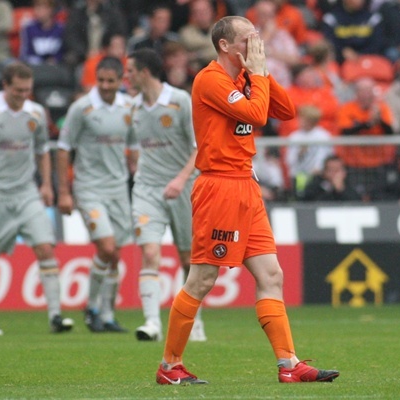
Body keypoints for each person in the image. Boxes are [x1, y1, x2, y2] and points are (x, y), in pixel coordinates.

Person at [155, 15, 340, 385]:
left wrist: (263, 71)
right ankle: (170, 366)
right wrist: (257, 75)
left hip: (246, 185)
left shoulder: (245, 77)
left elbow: (286, 112)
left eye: (257, 38)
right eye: (248, 39)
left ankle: (289, 365)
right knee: (203, 278)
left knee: (272, 274)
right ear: (225, 45)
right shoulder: (210, 80)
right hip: (219, 186)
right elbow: (257, 114)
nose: (256, 45)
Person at [0, 62, 74, 335]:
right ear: (5, 86)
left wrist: (47, 186)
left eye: (27, 90)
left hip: (26, 192)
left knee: (45, 249)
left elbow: (42, 149)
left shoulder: (37, 113)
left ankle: (55, 316)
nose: (22, 95)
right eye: (17, 90)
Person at [124, 48, 205, 343]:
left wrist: (181, 179)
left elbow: (200, 148)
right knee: (149, 251)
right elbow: (134, 146)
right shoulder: (134, 107)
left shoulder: (180, 101)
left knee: (188, 257)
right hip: (147, 188)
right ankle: (151, 323)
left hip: (183, 187)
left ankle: (194, 320)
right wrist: (137, 170)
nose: (126, 76)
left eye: (130, 70)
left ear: (144, 72)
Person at [57, 56, 134, 333]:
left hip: (118, 187)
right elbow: (64, 147)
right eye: (100, 80)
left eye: (110, 81)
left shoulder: (129, 107)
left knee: (115, 253)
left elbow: (134, 146)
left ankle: (108, 314)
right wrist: (64, 191)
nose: (104, 85)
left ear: (120, 80)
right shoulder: (82, 108)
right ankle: (91, 308)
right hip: (89, 187)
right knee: (107, 246)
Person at [284, 105, 334, 197]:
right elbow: (289, 160)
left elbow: (327, 156)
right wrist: (300, 153)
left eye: (302, 119)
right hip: (298, 176)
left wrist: (319, 169)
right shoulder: (294, 137)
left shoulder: (323, 136)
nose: (299, 121)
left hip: (317, 176)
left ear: (310, 121)